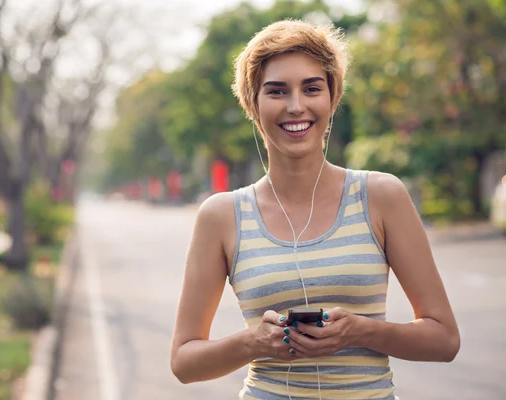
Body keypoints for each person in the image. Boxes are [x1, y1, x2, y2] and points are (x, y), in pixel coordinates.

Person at [170, 19, 460, 400]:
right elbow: (184, 361)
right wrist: (254, 343)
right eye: (276, 91)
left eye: (311, 88)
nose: (296, 106)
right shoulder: (222, 215)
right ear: (253, 105)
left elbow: (444, 340)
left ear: (331, 98)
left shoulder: (380, 195)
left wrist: (361, 331)